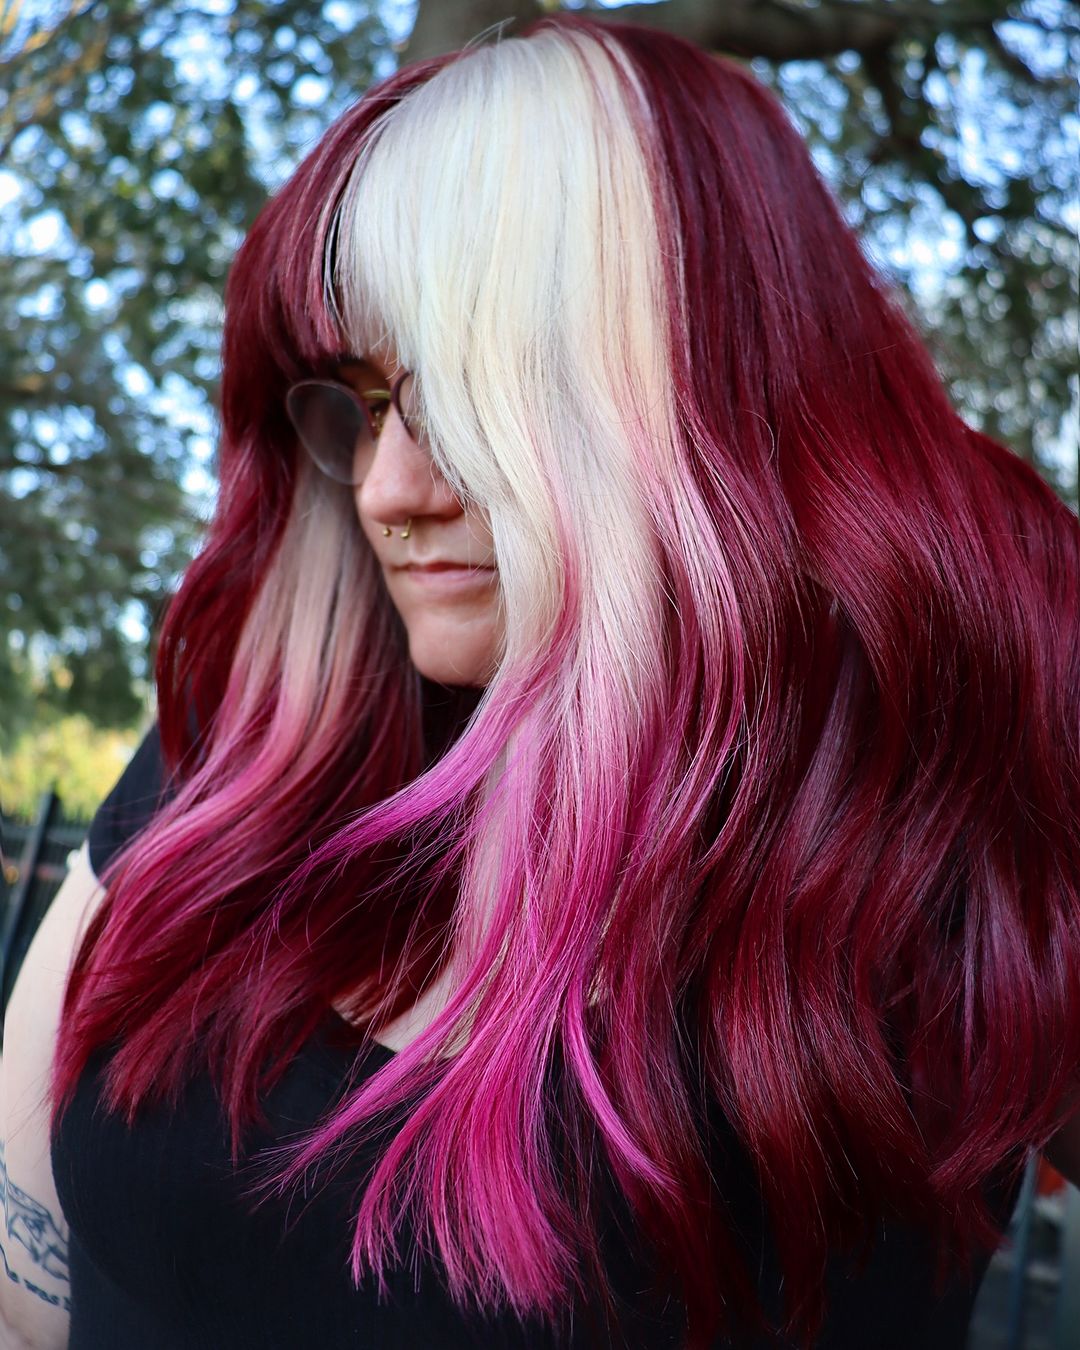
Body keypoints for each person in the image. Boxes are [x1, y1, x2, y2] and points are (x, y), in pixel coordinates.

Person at [2, 12, 1078, 1349]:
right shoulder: (251, 751)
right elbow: (28, 1251)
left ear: (706, 395)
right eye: (358, 403)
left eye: (457, 395)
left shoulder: (945, 820)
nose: (390, 491)